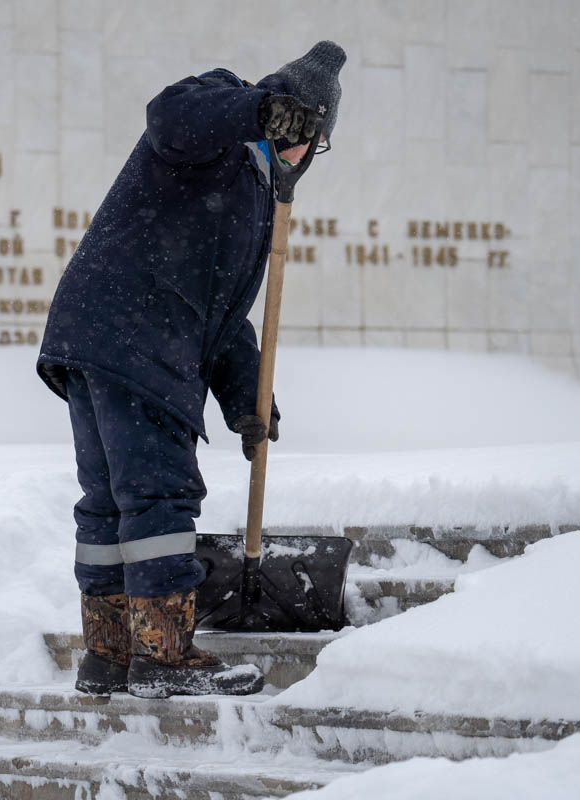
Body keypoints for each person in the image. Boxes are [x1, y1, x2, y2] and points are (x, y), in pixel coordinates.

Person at [37, 41, 345, 698]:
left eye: (310, 146)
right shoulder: (216, 135)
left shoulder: (256, 198)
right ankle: (163, 656)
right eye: (299, 136)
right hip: (135, 332)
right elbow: (170, 114)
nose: (299, 154)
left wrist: (247, 398)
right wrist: (260, 109)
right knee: (157, 492)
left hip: (99, 330)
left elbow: (223, 316)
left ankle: (109, 654)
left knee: (109, 503)